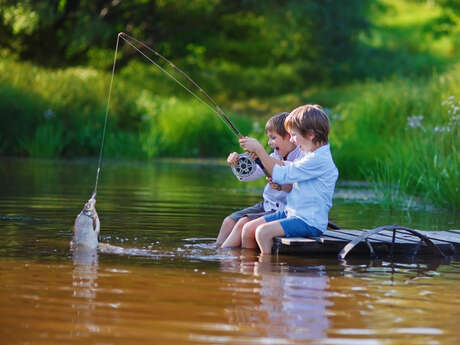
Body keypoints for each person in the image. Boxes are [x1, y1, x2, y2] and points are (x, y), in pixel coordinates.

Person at [238, 104, 338, 254]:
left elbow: (282, 174)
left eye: (294, 135)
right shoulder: (310, 155)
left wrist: (259, 150)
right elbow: (286, 167)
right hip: (292, 213)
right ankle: (248, 268)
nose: (292, 139)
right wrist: (260, 157)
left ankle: (268, 271)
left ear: (310, 134)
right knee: (248, 228)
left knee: (262, 233)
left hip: (308, 221)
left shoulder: (318, 159)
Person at [216, 112, 303, 248]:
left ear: (289, 137)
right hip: (266, 205)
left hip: (283, 210)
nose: (269, 142)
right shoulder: (274, 155)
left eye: (273, 138)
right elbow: (248, 175)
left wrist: (260, 153)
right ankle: (217, 250)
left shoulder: (301, 157)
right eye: (269, 138)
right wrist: (237, 162)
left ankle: (224, 257)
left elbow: (290, 169)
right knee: (228, 221)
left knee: (242, 224)